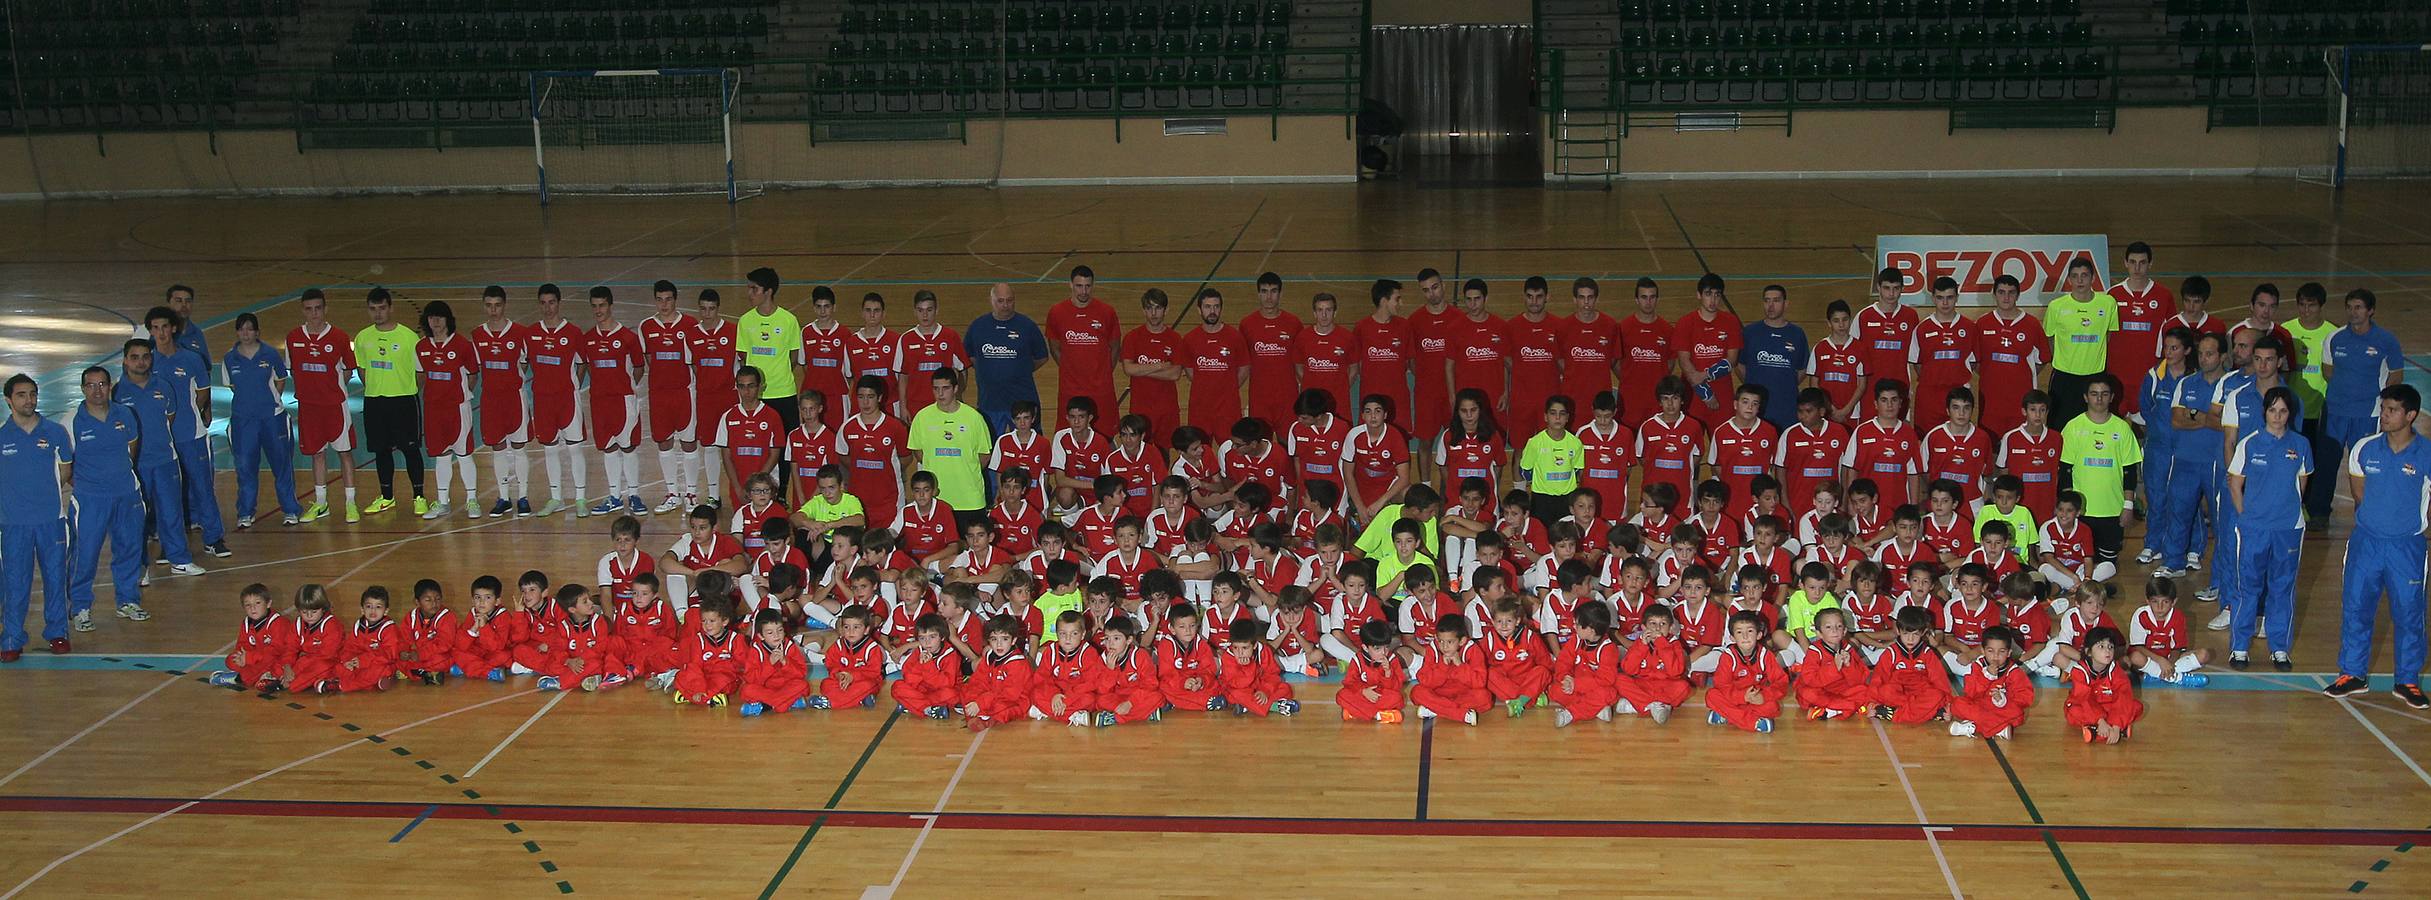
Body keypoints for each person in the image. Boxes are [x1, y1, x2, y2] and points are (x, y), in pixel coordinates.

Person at [2323, 385, 2431, 706]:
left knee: (2410, 614)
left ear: (2411, 415)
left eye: (2392, 410)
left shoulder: (2427, 453)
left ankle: (2407, 680)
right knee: (2356, 608)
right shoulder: (2364, 449)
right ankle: (2352, 674)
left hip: (2407, 548)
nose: (2384, 415)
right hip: (2365, 544)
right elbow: (2359, 494)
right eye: (2383, 409)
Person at [2224, 386, 2309, 672]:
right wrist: (2245, 516)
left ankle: (2279, 649)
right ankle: (2239, 648)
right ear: (2265, 412)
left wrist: (2287, 511)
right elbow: (2235, 484)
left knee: (2282, 588)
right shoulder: (2249, 443)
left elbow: (2301, 484)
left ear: (2290, 414)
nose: (2277, 416)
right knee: (2248, 588)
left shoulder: (2301, 445)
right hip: (2253, 528)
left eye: (2283, 411)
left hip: (2288, 528)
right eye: (2272, 410)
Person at [63, 366, 149, 633]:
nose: (97, 390)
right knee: (84, 555)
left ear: (110, 386)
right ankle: (80, 607)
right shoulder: (71, 421)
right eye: (91, 385)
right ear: (82, 389)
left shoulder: (126, 414)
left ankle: (127, 601)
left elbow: (131, 450)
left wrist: (119, 478)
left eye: (102, 384)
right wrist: (90, 486)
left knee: (129, 548)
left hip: (127, 494)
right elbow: (65, 466)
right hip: (89, 500)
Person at [115, 340, 204, 580]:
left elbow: (170, 417)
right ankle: (140, 567)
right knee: (136, 518)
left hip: (165, 460)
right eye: (134, 357)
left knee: (171, 511)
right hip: (135, 466)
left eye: (145, 356)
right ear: (125, 360)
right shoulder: (116, 393)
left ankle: (179, 559)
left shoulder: (163, 387)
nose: (141, 362)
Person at [0, 375, 73, 660]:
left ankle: (57, 633)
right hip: (13, 524)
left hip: (51, 520)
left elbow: (65, 471)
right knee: (15, 583)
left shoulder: (55, 432)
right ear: (9, 400)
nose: (28, 400)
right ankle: (11, 638)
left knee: (55, 578)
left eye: (32, 394)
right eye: (21, 395)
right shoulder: (1, 437)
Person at [285, 289, 361, 523]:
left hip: (335, 406)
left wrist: (331, 388)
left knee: (344, 453)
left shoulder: (339, 337)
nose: (314, 313)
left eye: (318, 308)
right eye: (309, 309)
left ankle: (350, 504)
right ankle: (321, 503)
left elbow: (349, 369)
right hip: (309, 407)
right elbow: (291, 368)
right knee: (316, 454)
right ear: (303, 310)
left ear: (325, 309)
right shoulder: (293, 338)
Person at [222, 313, 301, 528]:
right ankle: (245, 512)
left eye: (250, 329)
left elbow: (280, 380)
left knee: (282, 465)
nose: (245, 333)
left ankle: (291, 510)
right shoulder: (229, 359)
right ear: (237, 332)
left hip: (272, 420)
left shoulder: (270, 354)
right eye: (241, 329)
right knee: (245, 467)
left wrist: (269, 403)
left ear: (257, 332)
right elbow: (232, 386)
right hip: (243, 422)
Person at [353, 288, 426, 517]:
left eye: (382, 308)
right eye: (373, 309)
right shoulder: (363, 337)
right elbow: (361, 369)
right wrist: (376, 389)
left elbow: (420, 372)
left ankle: (419, 497)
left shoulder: (408, 337)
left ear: (391, 308)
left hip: (403, 401)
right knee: (381, 451)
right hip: (375, 402)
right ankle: (387, 497)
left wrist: (406, 390)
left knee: (410, 450)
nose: (378, 313)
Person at [2058, 374, 2139, 578]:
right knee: (2082, 558)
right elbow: (2065, 470)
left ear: (2112, 397)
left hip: (2112, 509)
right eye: (2094, 394)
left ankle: (2094, 588)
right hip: (2082, 511)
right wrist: (2068, 508)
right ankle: (2087, 588)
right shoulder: (2073, 427)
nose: (2099, 399)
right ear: (2086, 397)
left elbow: (2129, 471)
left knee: (2109, 561)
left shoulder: (2122, 429)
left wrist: (2128, 506)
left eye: (2104, 394)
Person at [583, 286, 648, 516]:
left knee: (628, 446)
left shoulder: (628, 338)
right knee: (608, 448)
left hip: (624, 401)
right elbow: (590, 367)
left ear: (610, 305)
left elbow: (639, 368)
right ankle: (614, 496)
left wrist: (626, 386)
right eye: (594, 306)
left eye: (602, 305)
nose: (598, 310)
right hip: (600, 402)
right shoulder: (588, 338)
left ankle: (634, 494)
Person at [469, 286, 533, 518]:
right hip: (491, 399)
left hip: (514, 397)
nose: (493, 310)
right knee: (497, 447)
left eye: (497, 305)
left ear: (504, 305)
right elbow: (475, 368)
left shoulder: (520, 333)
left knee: (518, 446)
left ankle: (523, 497)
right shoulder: (477, 335)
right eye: (489, 305)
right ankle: (504, 497)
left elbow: (524, 363)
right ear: (484, 306)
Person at [525, 284, 589, 517]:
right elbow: (524, 363)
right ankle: (556, 498)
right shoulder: (530, 334)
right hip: (543, 401)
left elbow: (583, 363)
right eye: (543, 303)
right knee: (550, 450)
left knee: (575, 448)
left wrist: (574, 385)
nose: (547, 307)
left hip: (567, 399)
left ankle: (580, 499)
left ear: (559, 303)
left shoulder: (573, 333)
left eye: (551, 302)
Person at [415, 300, 481, 520]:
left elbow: (473, 375)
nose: (435, 322)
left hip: (457, 409)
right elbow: (421, 376)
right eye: (431, 317)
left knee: (463, 454)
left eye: (439, 317)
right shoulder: (421, 347)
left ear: (447, 320)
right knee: (441, 456)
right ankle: (443, 502)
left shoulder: (462, 345)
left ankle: (472, 500)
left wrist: (460, 395)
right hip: (433, 410)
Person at [640, 280, 701, 514]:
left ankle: (692, 493)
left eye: (668, 299)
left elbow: (694, 360)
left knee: (688, 442)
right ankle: (672, 493)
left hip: (684, 392)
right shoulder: (646, 327)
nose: (664, 304)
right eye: (659, 299)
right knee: (664, 442)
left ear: (675, 299)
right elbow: (648, 360)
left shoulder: (689, 324)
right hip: (658, 394)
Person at [908, 368, 991, 532]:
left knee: (973, 550)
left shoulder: (974, 418)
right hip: (937, 500)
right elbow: (918, 453)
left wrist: (964, 470)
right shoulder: (922, 417)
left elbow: (984, 456)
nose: (940, 394)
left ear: (955, 388)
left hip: (969, 499)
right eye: (936, 389)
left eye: (945, 388)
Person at [2285, 283, 2338, 526]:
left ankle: (2313, 506)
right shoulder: (2286, 331)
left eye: (2312, 305)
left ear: (2321, 306)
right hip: (2290, 410)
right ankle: (2290, 502)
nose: (2306, 310)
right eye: (2302, 305)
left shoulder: (2333, 334)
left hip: (2318, 410)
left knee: (2315, 459)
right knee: (2290, 458)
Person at [2044, 256, 2120, 427]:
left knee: (2095, 423)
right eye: (2075, 276)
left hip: (2095, 375)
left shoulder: (2108, 304)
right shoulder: (2056, 306)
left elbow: (2109, 334)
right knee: (2059, 424)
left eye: (2084, 275)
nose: (2080, 280)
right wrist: (2063, 359)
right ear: (2069, 279)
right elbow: (2050, 337)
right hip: (2064, 376)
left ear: (2093, 278)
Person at [2323, 288, 2402, 451]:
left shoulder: (2387, 340)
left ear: (2370, 310)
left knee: (2362, 463)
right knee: (2327, 464)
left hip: (2368, 413)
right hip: (2335, 411)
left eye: (2358, 307)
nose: (2353, 312)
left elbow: (2396, 377)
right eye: (2349, 307)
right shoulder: (2334, 338)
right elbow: (2328, 372)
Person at [968, 283, 1051, 434]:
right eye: (1000, 301)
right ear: (991, 301)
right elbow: (970, 356)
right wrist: (988, 369)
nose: (1005, 305)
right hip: (990, 402)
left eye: (1009, 300)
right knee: (990, 451)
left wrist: (1021, 369)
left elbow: (1042, 357)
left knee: (1029, 449)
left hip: (1023, 401)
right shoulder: (978, 327)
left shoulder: (1027, 326)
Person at [2106, 241, 2173, 419]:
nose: (2137, 268)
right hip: (2117, 373)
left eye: (2142, 262)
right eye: (2133, 262)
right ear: (2125, 263)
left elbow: (2172, 335)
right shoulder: (2112, 295)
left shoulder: (2164, 295)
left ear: (2150, 263)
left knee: (2148, 428)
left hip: (2150, 373)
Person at [1974, 275, 2046, 436]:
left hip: (2021, 401)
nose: (2006, 297)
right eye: (2001, 292)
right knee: (1990, 448)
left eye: (2011, 293)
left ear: (2018, 295)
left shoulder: (2032, 324)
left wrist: (2020, 374)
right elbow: (1975, 362)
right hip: (1990, 401)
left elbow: (2041, 361)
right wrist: (1991, 374)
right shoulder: (1982, 323)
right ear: (1994, 295)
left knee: (2019, 448)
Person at [739, 267, 805, 433]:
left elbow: (794, 357)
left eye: (754, 289)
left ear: (768, 292)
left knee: (786, 450)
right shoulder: (745, 321)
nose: (750, 294)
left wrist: (779, 375)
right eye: (749, 288)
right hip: (756, 396)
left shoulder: (789, 321)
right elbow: (744, 357)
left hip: (784, 393)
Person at [1675, 273, 1745, 428]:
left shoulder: (1731, 322)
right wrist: (1706, 393)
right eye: (1708, 294)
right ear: (1699, 295)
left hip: (1723, 395)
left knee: (1723, 446)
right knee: (1691, 447)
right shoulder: (1685, 323)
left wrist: (1705, 375)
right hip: (1693, 394)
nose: (1713, 300)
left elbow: (1732, 360)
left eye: (1717, 295)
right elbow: (1684, 362)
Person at [690, 289, 740, 505]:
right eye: (703, 309)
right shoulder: (692, 334)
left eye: (711, 309)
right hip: (706, 399)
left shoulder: (732, 331)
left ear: (718, 308)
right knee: (709, 446)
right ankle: (713, 495)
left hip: (729, 397)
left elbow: (742, 362)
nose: (707, 313)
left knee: (734, 446)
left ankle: (740, 491)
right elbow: (692, 365)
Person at [1235, 272, 1303, 428]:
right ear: (1258, 294)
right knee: (1259, 447)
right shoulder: (1247, 325)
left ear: (1280, 293)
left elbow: (1301, 363)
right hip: (1260, 399)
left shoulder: (1294, 324)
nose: (1269, 297)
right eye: (1264, 291)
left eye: (1273, 291)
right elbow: (1242, 365)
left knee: (1289, 448)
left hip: (1288, 398)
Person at [1179, 288, 1249, 439]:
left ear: (1221, 309)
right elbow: (1190, 372)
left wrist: (1227, 389)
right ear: (1199, 310)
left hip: (1228, 410)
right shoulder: (1190, 339)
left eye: (1216, 306)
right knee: (1200, 454)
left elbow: (1244, 369)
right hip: (1200, 410)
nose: (1212, 311)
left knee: (1230, 452)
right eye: (1208, 307)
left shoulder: (1234, 337)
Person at [1909, 277, 1976, 434]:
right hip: (1929, 398)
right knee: (1927, 443)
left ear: (1957, 298)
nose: (1945, 303)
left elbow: (1973, 362)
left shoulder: (1970, 328)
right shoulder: (1922, 329)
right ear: (1933, 298)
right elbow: (1917, 364)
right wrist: (1934, 378)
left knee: (1958, 444)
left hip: (1959, 398)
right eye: (1940, 298)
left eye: (1949, 297)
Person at [1406, 269, 1460, 461]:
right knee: (1425, 442)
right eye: (1426, 290)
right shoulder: (1414, 321)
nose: (1432, 293)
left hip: (1453, 394)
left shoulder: (1459, 318)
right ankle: (1425, 487)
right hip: (1426, 396)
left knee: (1455, 442)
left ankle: (1452, 488)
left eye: (1435, 287)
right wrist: (1425, 379)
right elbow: (1410, 360)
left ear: (1443, 285)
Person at [1737, 284, 1808, 430]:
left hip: (1786, 407)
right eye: (1767, 300)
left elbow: (1803, 368)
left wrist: (1786, 384)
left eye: (1776, 300)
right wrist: (1754, 383)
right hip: (1757, 408)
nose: (1771, 305)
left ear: (1786, 304)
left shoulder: (1797, 333)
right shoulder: (1750, 332)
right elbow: (1739, 364)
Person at [1121, 288, 1184, 447]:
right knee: (1141, 452)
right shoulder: (1132, 337)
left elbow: (1175, 374)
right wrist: (1160, 366)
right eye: (1149, 308)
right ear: (1144, 311)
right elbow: (1128, 369)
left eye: (1158, 308)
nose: (1153, 313)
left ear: (1166, 310)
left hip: (1166, 410)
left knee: (1163, 455)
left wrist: (1141, 369)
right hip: (1140, 409)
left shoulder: (1175, 339)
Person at [1947, 625, 2034, 740]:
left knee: (2018, 714)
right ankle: (1999, 729)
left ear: (2009, 653)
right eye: (1990, 651)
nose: (1996, 656)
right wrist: (1986, 677)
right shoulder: (1977, 666)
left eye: (2001, 651)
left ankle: (1972, 727)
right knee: (1957, 704)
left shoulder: (2014, 672)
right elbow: (1970, 693)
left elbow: (2026, 698)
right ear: (1983, 651)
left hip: (2001, 710)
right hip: (1979, 706)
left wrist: (2003, 700)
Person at [1292, 292, 1360, 430]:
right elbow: (1299, 367)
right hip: (1311, 405)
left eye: (1328, 310)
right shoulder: (1303, 337)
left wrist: (1342, 387)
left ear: (1335, 313)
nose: (1324, 315)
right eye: (1320, 310)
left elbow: (1354, 368)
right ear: (1314, 313)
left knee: (1341, 443)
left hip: (1339, 403)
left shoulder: (1347, 337)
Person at [1354, 279, 1413, 435]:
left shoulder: (1405, 326)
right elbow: (1356, 365)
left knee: (1401, 445)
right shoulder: (1361, 328)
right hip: (1371, 401)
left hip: (1399, 402)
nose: (1401, 303)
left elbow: (1408, 362)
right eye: (1397, 299)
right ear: (1384, 300)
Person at [2065, 626, 2143, 744]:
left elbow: (2123, 696)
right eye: (2101, 646)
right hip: (2087, 708)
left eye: (2110, 647)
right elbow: (2084, 698)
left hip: (2109, 706)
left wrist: (2116, 725)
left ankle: (2097, 732)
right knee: (2073, 711)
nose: (2107, 651)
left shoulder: (2116, 670)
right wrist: (2100, 721)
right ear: (2088, 652)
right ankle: (2116, 730)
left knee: (2136, 706)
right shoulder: (2079, 671)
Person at [210, 583, 295, 691]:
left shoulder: (279, 622)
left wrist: (250, 657)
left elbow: (276, 651)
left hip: (277, 659)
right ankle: (265, 677)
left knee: (272, 663)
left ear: (268, 603)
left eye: (258, 603)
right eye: (248, 605)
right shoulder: (246, 623)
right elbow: (242, 644)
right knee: (231, 660)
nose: (253, 608)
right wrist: (242, 657)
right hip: (257, 658)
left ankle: (238, 678)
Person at [1560, 276, 1621, 426]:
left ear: (1596, 299)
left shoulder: (1610, 325)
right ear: (1574, 299)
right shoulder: (1564, 327)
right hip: (1573, 399)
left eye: (1590, 297)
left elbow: (1613, 359)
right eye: (1581, 297)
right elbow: (1559, 360)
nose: (1586, 303)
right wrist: (1575, 374)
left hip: (1600, 401)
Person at [1448, 279, 1508, 422]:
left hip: (1494, 397)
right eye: (1468, 299)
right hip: (1467, 400)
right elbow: (1449, 365)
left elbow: (1505, 363)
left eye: (1477, 299)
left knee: (1495, 439)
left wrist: (1506, 392)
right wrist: (1452, 396)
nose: (1472, 304)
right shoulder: (1454, 328)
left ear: (1486, 299)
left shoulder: (1501, 326)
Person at [1518, 395, 1585, 526]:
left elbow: (1577, 470)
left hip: (1567, 499)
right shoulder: (1535, 443)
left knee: (1565, 540)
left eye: (1562, 414)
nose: (1558, 418)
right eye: (1553, 413)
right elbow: (1525, 471)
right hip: (1541, 499)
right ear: (1546, 417)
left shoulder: (1576, 443)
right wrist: (1539, 483)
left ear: (1567, 417)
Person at [737, 609, 811, 717]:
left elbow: (801, 674)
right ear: (761, 636)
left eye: (780, 630)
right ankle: (786, 703)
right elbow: (751, 678)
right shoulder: (756, 650)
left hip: (786, 687)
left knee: (803, 685)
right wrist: (769, 663)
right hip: (765, 689)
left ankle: (766, 706)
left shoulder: (789, 646)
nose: (776, 635)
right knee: (746, 690)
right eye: (770, 632)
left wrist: (785, 662)